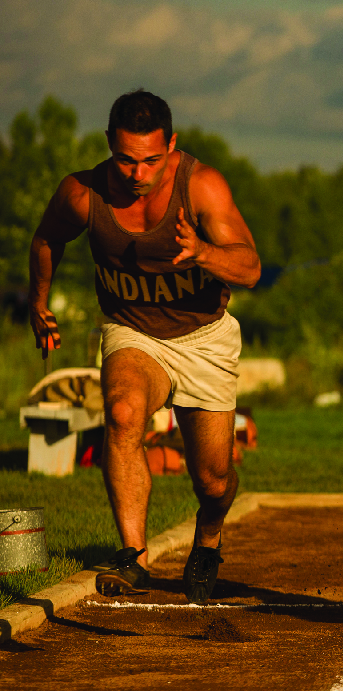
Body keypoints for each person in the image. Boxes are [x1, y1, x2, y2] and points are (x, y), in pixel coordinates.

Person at [28, 89, 261, 604]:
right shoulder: (83, 193)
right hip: (134, 333)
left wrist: (203, 252)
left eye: (152, 160)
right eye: (127, 160)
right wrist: (38, 304)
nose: (138, 173)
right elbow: (47, 239)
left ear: (171, 145)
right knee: (123, 411)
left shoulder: (201, 186)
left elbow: (250, 267)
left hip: (203, 340)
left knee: (214, 480)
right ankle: (133, 556)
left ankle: (208, 537)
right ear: (110, 144)